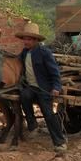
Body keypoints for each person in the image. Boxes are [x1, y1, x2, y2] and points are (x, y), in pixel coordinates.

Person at [16, 22, 67, 152]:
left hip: (44, 88)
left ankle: (60, 142)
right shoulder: (24, 53)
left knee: (48, 114)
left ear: (35, 40)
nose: (25, 42)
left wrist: (56, 87)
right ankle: (32, 124)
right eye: (24, 39)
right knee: (24, 96)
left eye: (28, 39)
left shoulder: (45, 53)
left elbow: (54, 72)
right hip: (31, 87)